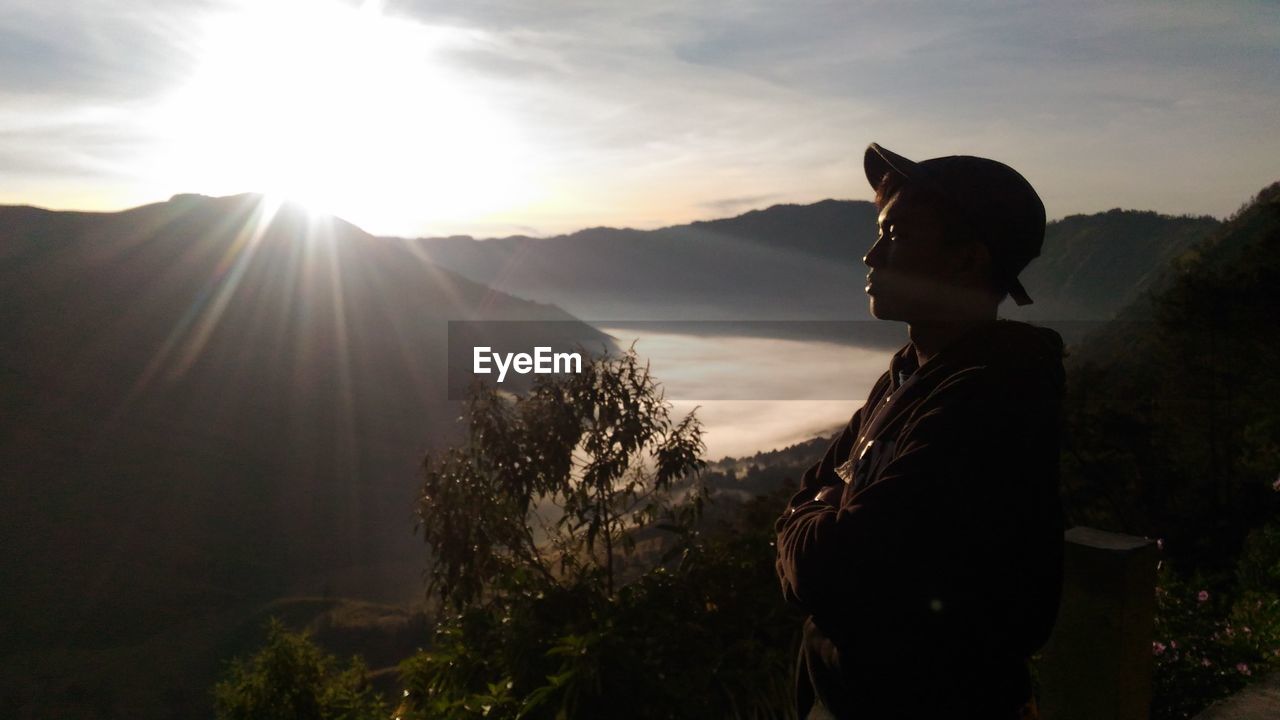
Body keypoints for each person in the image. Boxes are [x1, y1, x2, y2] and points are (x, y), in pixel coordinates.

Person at [774, 142, 1067, 719]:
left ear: (967, 261)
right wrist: (815, 515)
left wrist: (811, 521)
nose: (870, 255)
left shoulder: (995, 394)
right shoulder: (911, 374)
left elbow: (834, 568)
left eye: (897, 236)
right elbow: (803, 505)